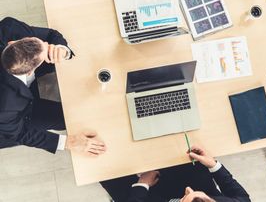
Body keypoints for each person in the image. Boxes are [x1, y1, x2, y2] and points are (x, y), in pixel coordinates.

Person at [0, 17, 106, 156]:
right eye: (44, 48)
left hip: (15, 88)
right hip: (13, 122)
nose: (46, 44)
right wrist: (69, 142)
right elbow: (19, 133)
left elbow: (50, 35)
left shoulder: (8, 28)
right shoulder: (5, 109)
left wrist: (62, 50)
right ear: (30, 70)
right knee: (69, 118)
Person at [101, 144, 250, 202]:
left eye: (185, 196)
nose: (188, 189)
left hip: (154, 196)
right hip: (197, 180)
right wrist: (213, 164)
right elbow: (243, 198)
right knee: (181, 147)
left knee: (105, 171)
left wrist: (142, 184)